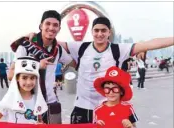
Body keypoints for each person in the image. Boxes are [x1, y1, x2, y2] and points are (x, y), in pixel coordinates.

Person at [21, 16, 174, 123]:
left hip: (107, 108)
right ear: (92, 31)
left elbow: (151, 43)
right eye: (96, 30)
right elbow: (51, 40)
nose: (99, 34)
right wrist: (33, 35)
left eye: (103, 30)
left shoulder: (118, 49)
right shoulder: (80, 47)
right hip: (82, 108)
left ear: (109, 32)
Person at [8, 10, 74, 124]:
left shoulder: (58, 50)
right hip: (29, 103)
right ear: (41, 26)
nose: (51, 28)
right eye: (47, 24)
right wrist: (36, 67)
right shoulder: (26, 46)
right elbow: (10, 75)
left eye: (55, 25)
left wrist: (65, 72)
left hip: (50, 102)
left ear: (59, 29)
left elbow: (74, 64)